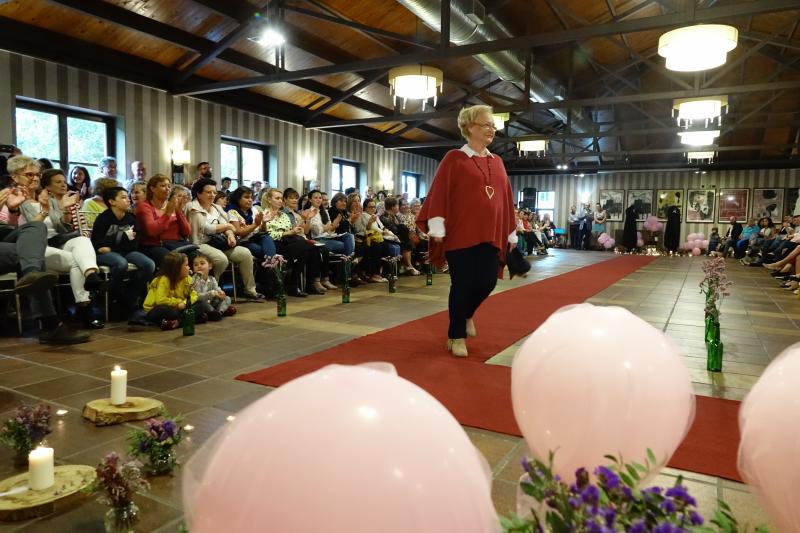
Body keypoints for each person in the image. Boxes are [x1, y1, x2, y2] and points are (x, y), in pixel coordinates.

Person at [415, 104, 517, 358]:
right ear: (470, 127)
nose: (492, 129)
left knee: (488, 281)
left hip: (491, 234)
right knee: (461, 284)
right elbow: (440, 193)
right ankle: (456, 335)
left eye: (493, 125)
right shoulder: (454, 158)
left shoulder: (498, 162)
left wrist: (510, 232)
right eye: (486, 125)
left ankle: (467, 314)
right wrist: (436, 226)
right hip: (460, 235)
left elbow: (506, 199)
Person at [187, 178, 263, 300]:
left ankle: (249, 290)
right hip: (200, 242)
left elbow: (228, 225)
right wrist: (227, 226)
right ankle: (210, 289)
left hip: (219, 241)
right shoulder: (193, 207)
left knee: (245, 253)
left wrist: (230, 235)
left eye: (214, 192)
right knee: (221, 259)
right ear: (199, 193)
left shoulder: (216, 208)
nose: (212, 195)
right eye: (208, 192)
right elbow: (205, 228)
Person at [91, 186, 155, 322]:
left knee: (148, 264)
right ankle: (112, 298)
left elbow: (134, 242)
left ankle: (130, 297)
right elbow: (96, 243)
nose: (128, 200)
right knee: (121, 264)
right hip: (104, 254)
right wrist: (106, 248)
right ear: (112, 201)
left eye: (128, 197)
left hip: (125, 250)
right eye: (123, 197)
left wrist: (113, 246)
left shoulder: (131, 218)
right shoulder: (104, 218)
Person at [263, 188, 324, 297]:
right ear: (269, 200)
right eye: (277, 198)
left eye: (281, 199)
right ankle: (298, 284)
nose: (280, 201)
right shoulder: (264, 214)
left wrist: (297, 228)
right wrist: (290, 232)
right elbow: (268, 234)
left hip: (289, 242)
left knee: (308, 249)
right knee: (307, 247)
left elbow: (291, 230)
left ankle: (299, 284)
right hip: (275, 243)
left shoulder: (283, 215)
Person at [135, 174, 195, 267]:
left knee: (196, 257)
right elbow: (152, 231)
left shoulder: (171, 205)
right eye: (163, 186)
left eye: (169, 186)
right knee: (173, 261)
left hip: (176, 244)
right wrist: (167, 214)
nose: (167, 189)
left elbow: (187, 232)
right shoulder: (144, 207)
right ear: (152, 189)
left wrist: (178, 210)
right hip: (154, 245)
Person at [143, 251, 200, 330]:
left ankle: (177, 322)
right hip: (156, 309)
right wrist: (178, 302)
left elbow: (194, 295)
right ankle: (189, 319)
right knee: (173, 313)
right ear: (177, 268)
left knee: (201, 304)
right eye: (186, 265)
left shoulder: (187, 278)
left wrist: (184, 303)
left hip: (179, 307)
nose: (189, 267)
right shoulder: (164, 279)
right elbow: (161, 300)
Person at [192, 254, 235, 321]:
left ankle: (220, 312)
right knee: (204, 305)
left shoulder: (212, 279)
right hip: (201, 304)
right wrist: (211, 293)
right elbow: (197, 297)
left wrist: (221, 293)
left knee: (227, 298)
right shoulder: (194, 280)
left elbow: (217, 289)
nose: (199, 266)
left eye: (202, 263)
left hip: (212, 303)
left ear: (210, 266)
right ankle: (219, 311)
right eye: (196, 265)